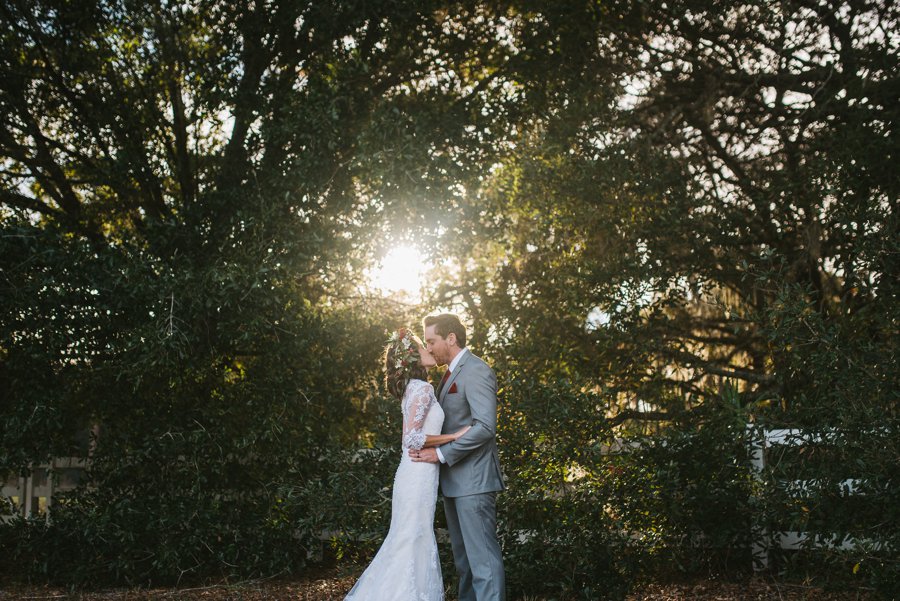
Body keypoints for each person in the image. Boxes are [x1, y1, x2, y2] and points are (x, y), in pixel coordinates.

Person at [345, 327, 470, 601]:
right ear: (413, 356)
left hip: (416, 474)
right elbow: (411, 438)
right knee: (412, 539)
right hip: (417, 473)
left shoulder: (414, 388)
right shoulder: (422, 389)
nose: (429, 349)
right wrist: (454, 436)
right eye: (424, 346)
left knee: (411, 539)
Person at [411, 313, 506, 601]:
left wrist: (440, 453)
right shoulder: (449, 372)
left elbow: (485, 427)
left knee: (483, 564)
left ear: (451, 338)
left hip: (474, 482)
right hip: (453, 483)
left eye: (432, 341)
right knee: (464, 565)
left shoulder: (476, 370)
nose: (428, 349)